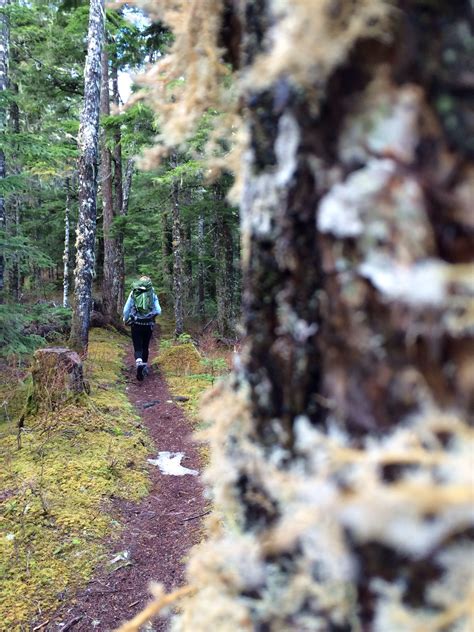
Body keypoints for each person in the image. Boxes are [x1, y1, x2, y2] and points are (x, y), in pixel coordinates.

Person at [123, 276, 161, 381]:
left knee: (138, 346)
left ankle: (138, 362)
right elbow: (159, 310)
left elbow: (126, 309)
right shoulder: (152, 294)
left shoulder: (133, 293)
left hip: (136, 324)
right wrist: (151, 316)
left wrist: (125, 319)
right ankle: (144, 367)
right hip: (148, 325)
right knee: (145, 346)